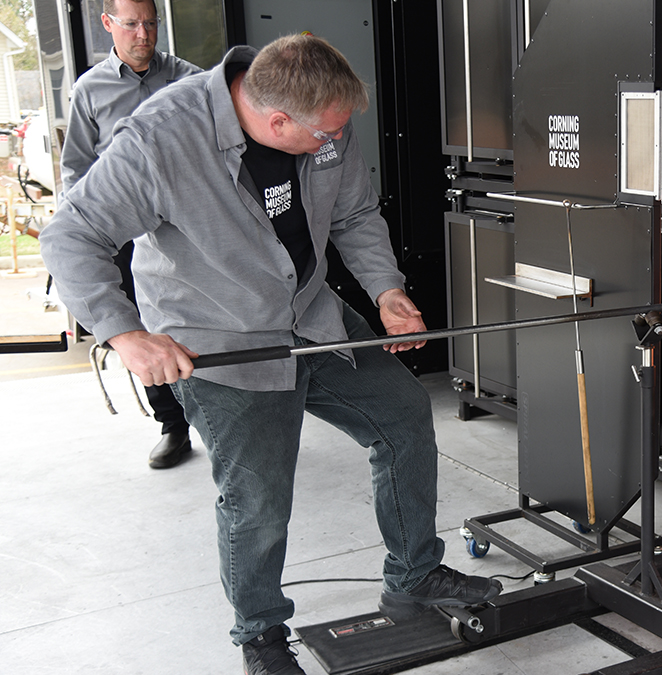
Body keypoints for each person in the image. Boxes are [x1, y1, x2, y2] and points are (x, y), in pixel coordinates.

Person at [42, 34, 501, 675]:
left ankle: (414, 575)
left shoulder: (323, 118)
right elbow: (70, 235)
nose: (333, 143)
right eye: (323, 136)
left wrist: (386, 289)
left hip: (312, 316)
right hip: (218, 337)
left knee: (401, 417)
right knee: (257, 496)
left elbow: (355, 212)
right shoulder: (160, 139)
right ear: (276, 120)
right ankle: (259, 634)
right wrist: (125, 333)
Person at [61, 0, 203, 469]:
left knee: (195, 317)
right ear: (107, 24)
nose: (143, 34)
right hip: (124, 231)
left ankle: (216, 416)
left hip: (185, 229)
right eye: (131, 24)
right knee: (140, 327)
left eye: (150, 23)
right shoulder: (90, 89)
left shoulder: (191, 79)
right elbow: (77, 170)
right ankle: (173, 426)